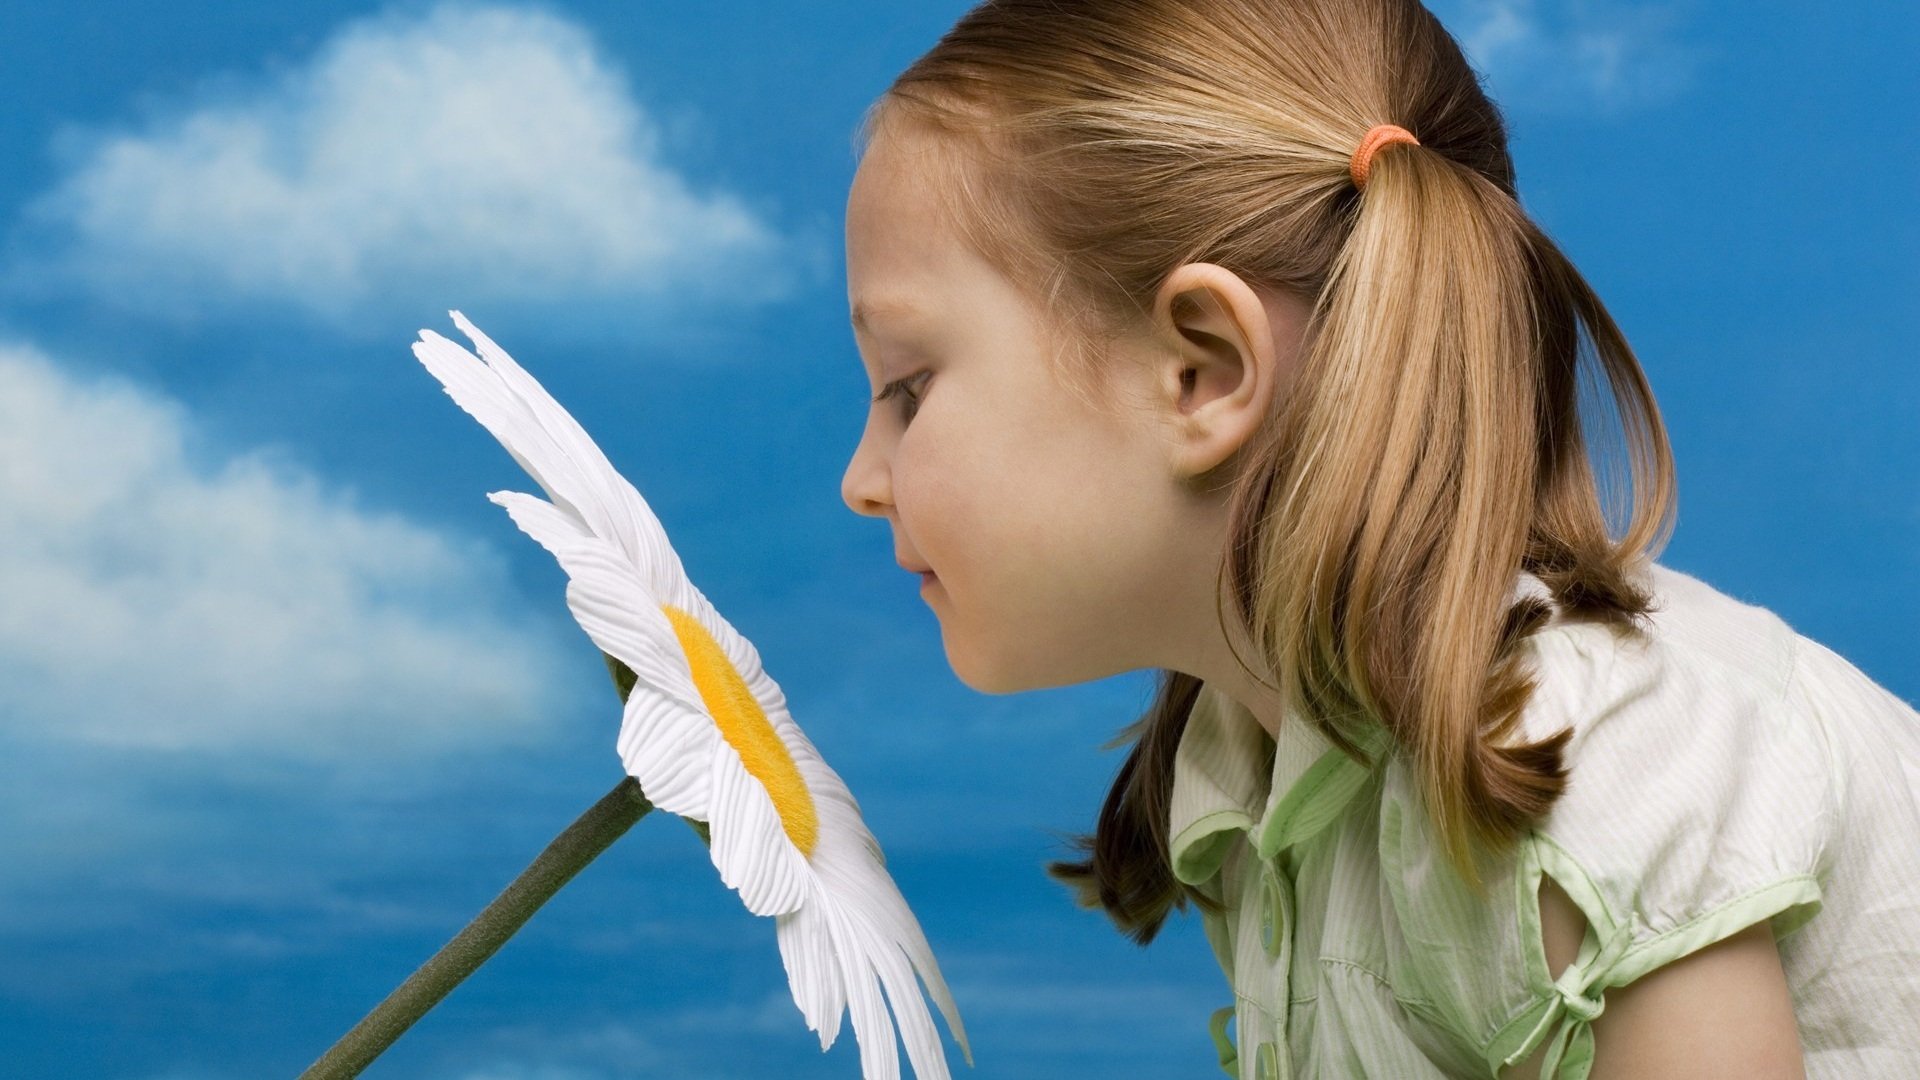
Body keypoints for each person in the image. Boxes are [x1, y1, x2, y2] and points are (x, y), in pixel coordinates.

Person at [836, 1, 1920, 1076]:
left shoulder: (1588, 770)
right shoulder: (1258, 768)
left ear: (1202, 371)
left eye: (908, 388)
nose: (860, 482)